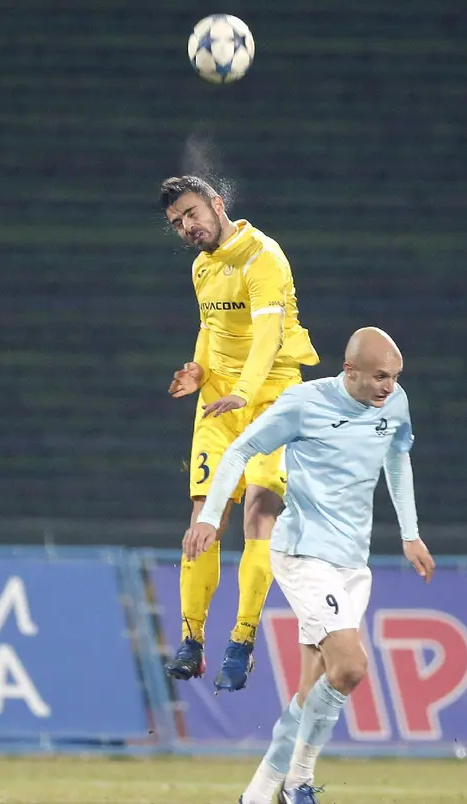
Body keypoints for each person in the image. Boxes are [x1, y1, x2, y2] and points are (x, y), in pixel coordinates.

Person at [183, 327, 435, 804]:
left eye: (395, 377)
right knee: (351, 667)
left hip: (352, 564)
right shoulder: (304, 404)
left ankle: (257, 801)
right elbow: (240, 449)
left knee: (315, 684)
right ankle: (297, 781)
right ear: (350, 370)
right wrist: (209, 516)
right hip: (302, 554)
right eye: (380, 376)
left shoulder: (395, 403)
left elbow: (397, 457)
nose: (389, 386)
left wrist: (410, 534)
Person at [161, 175, 319, 692]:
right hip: (219, 404)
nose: (187, 226)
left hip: (272, 401)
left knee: (259, 512)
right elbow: (211, 329)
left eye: (192, 213)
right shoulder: (201, 267)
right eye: (178, 222)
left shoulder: (263, 258)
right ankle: (191, 641)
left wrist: (245, 393)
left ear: (217, 203)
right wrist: (199, 371)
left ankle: (242, 641)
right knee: (203, 517)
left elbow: (269, 337)